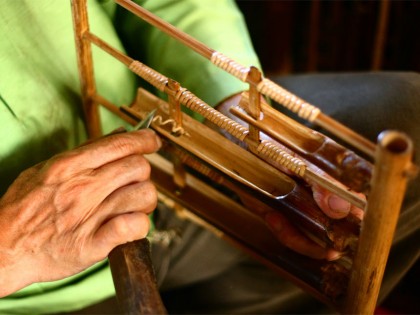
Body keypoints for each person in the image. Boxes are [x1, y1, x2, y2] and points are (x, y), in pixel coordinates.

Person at [0, 0, 418, 314]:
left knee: (409, 113)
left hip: (163, 142)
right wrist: (11, 251)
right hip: (43, 292)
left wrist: (231, 115)